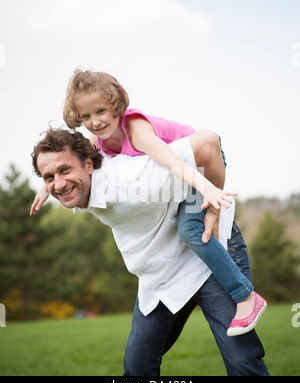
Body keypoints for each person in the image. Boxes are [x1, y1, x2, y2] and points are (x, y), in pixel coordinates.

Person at [30, 69, 266, 336]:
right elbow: (65, 162)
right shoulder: (98, 139)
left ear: (117, 106)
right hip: (180, 181)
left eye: (101, 111)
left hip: (197, 168)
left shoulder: (137, 132)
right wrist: (45, 188)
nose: (94, 122)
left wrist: (209, 192)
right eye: (86, 116)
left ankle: (246, 297)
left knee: (190, 229)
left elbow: (174, 162)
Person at [31, 128, 270, 376]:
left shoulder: (134, 182)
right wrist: (47, 186)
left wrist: (212, 210)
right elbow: (80, 149)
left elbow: (208, 143)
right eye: (49, 177)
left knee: (244, 365)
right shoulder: (81, 183)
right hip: (161, 274)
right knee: (137, 370)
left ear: (88, 164)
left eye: (65, 170)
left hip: (207, 258)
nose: (58, 183)